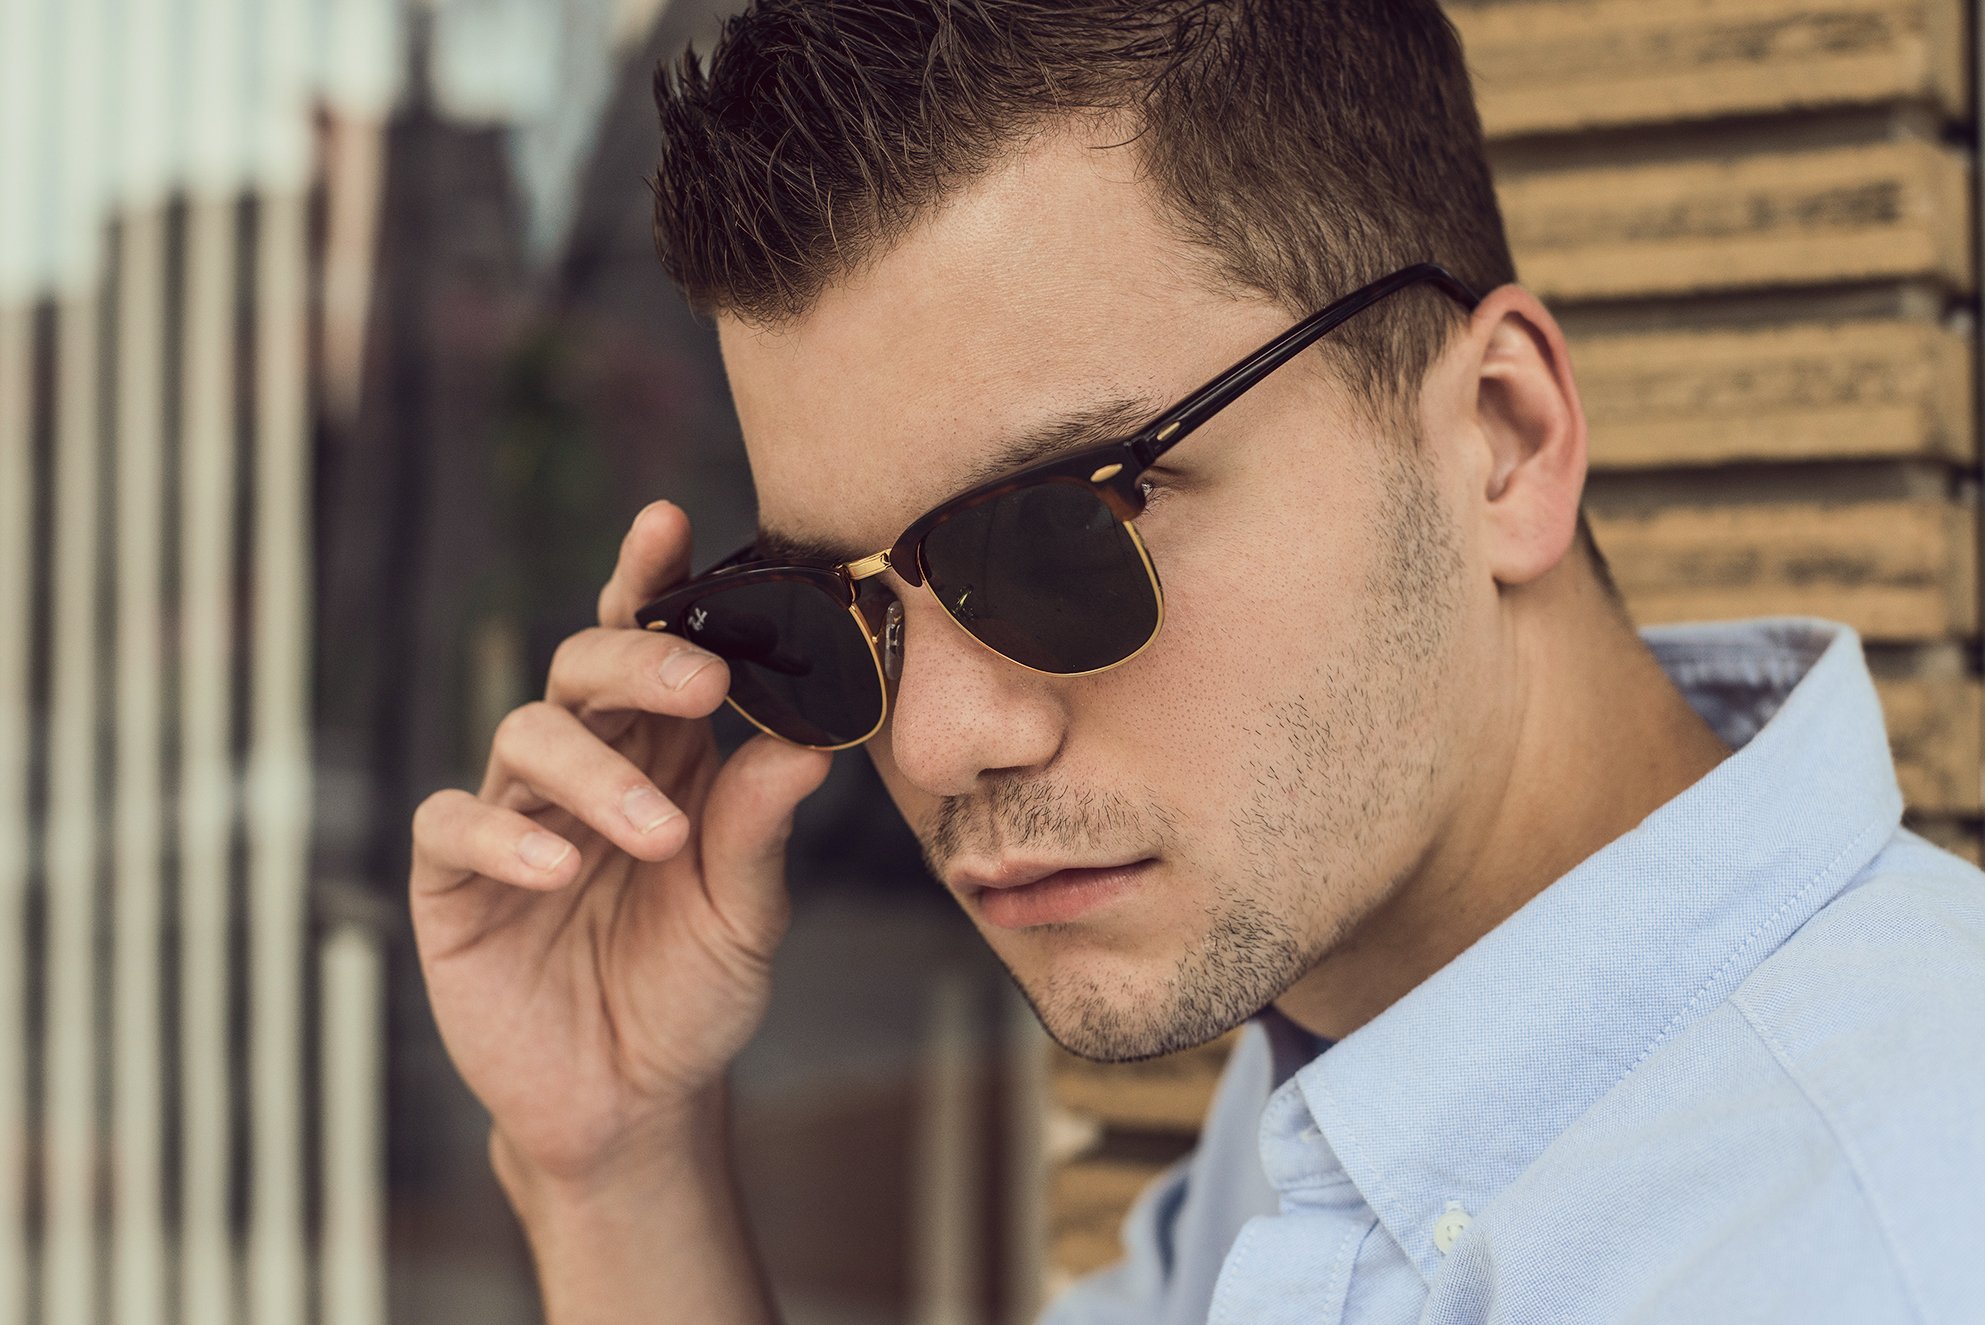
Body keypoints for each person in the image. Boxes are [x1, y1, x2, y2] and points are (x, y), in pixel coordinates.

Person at [406, 1, 1985, 1321]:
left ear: (1500, 439)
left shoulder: (1881, 1236)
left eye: (1060, 536)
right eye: (826, 611)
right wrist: (612, 1160)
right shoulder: (1361, 1065)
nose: (944, 738)